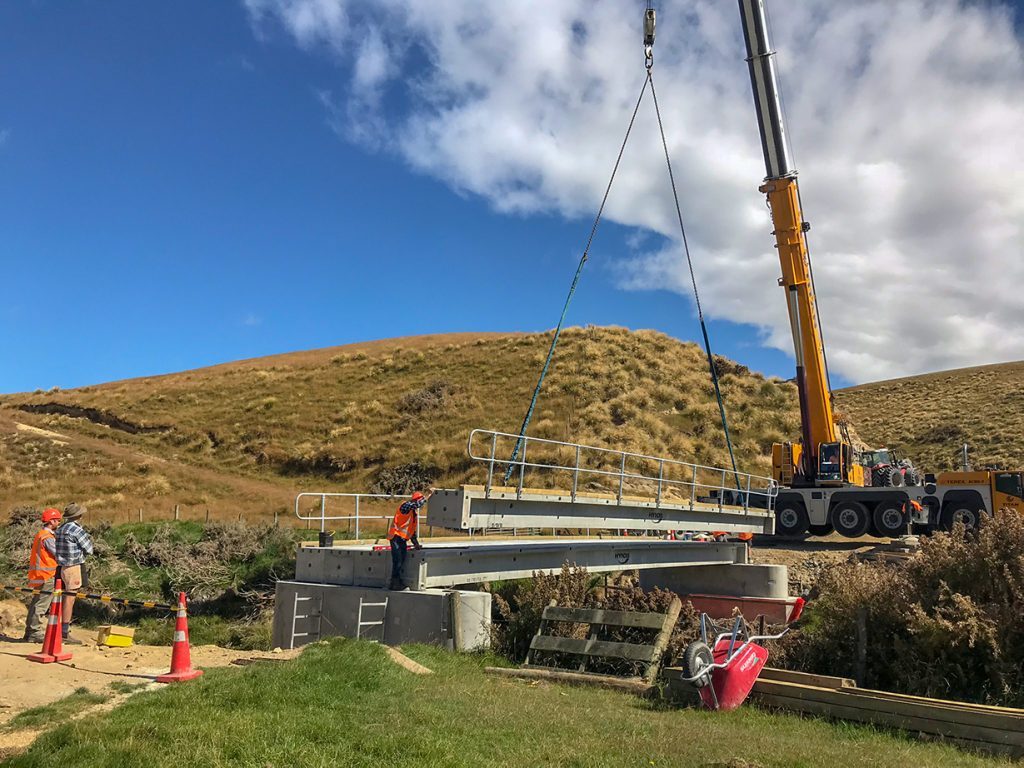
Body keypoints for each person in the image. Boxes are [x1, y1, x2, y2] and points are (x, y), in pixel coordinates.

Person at [54, 502, 93, 644]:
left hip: (60, 566)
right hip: (73, 566)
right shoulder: (76, 530)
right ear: (79, 516)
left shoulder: (60, 529)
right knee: (70, 598)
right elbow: (89, 549)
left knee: (61, 597)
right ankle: (64, 631)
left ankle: (56, 627)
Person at [23, 508, 62, 643]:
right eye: (57, 520)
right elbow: (57, 554)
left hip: (39, 575)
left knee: (35, 603)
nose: (59, 523)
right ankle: (35, 632)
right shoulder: (48, 537)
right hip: (47, 575)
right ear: (51, 521)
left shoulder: (40, 535)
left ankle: (29, 632)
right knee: (41, 605)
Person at [388, 489, 434, 590]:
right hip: (395, 537)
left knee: (402, 560)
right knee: (398, 560)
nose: (421, 506)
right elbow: (415, 505)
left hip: (402, 540)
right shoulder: (405, 506)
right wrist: (428, 496)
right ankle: (394, 583)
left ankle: (397, 581)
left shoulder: (413, 514)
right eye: (420, 502)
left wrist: (416, 543)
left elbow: (411, 532)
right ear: (416, 500)